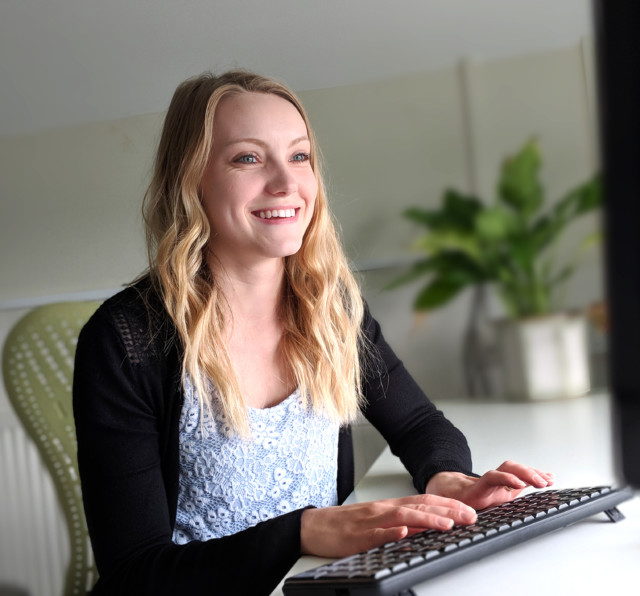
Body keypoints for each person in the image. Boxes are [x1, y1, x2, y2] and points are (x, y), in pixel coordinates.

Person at [72, 70, 554, 596]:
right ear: (191, 181)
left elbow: (417, 422)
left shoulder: (330, 307)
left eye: (299, 156)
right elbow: (136, 574)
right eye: (247, 158)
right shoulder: (126, 342)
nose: (285, 183)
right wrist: (302, 532)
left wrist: (446, 477)